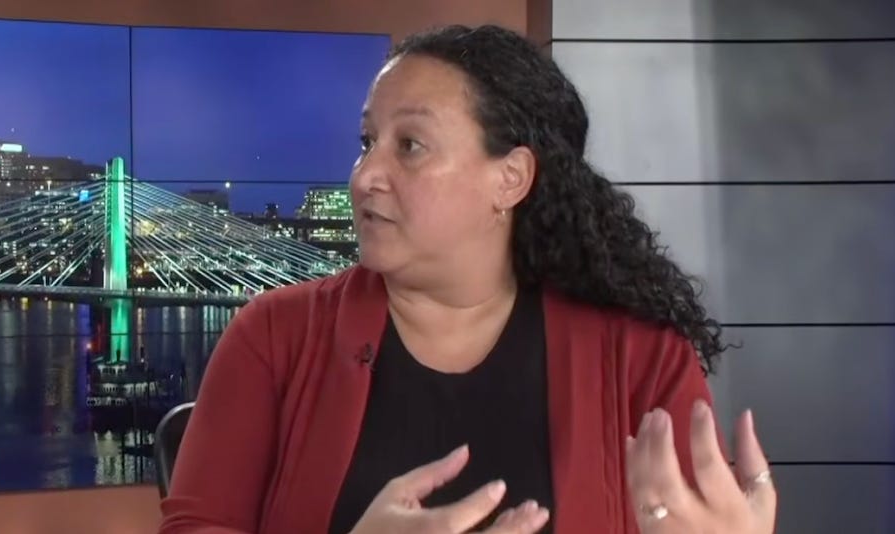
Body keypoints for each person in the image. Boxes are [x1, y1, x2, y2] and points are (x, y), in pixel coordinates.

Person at [158, 24, 778, 534]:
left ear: (510, 179)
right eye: (367, 141)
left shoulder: (640, 357)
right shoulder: (273, 337)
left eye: (410, 145)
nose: (364, 175)